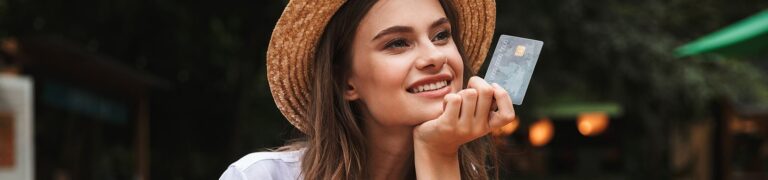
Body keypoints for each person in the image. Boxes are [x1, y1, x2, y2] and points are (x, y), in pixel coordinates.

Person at [220, 0, 516, 179]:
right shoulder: (261, 177)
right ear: (346, 82)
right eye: (397, 43)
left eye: (441, 35)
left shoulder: (460, 173)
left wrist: (438, 153)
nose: (436, 57)